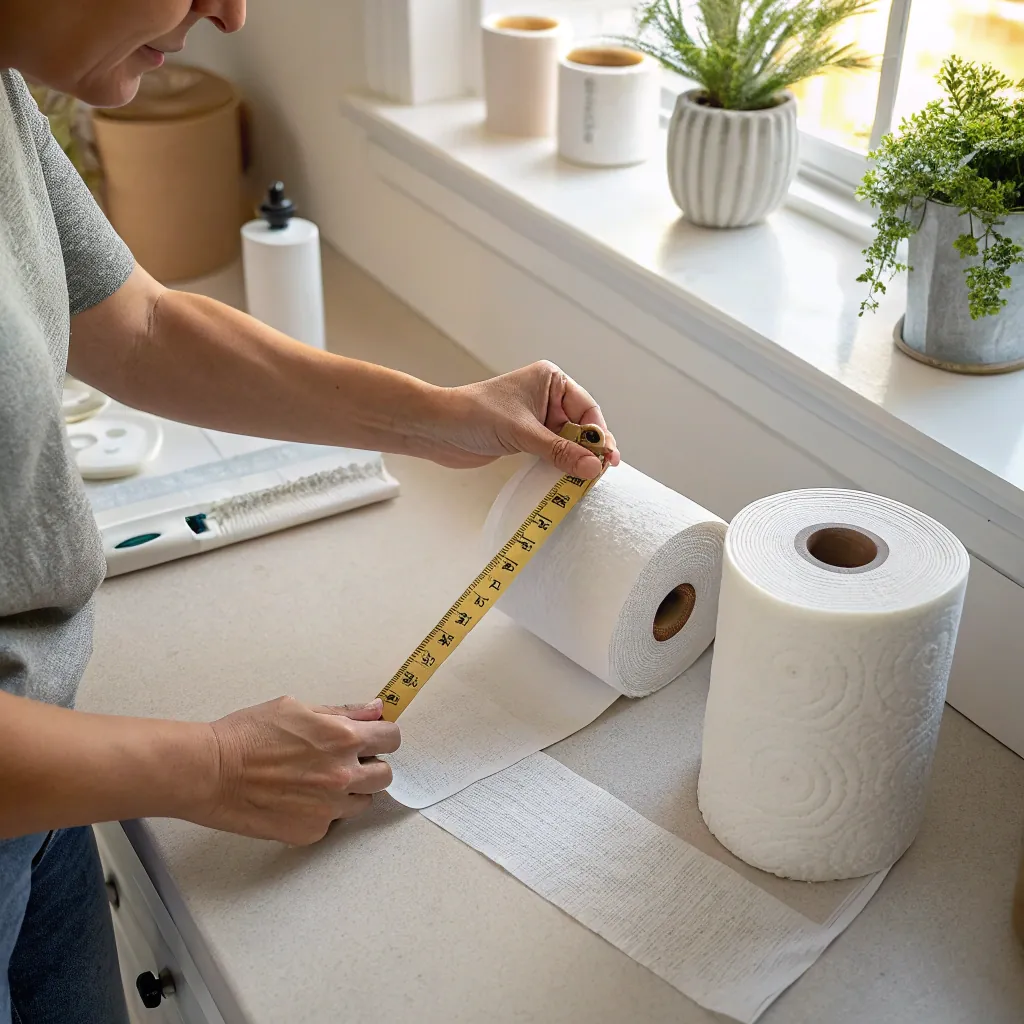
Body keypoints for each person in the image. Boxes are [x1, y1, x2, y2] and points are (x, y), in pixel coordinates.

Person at [0, 1, 620, 1020]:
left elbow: (141, 324)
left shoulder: (7, 87)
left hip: (47, 789)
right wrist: (209, 767)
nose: (233, 12)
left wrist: (444, 416)